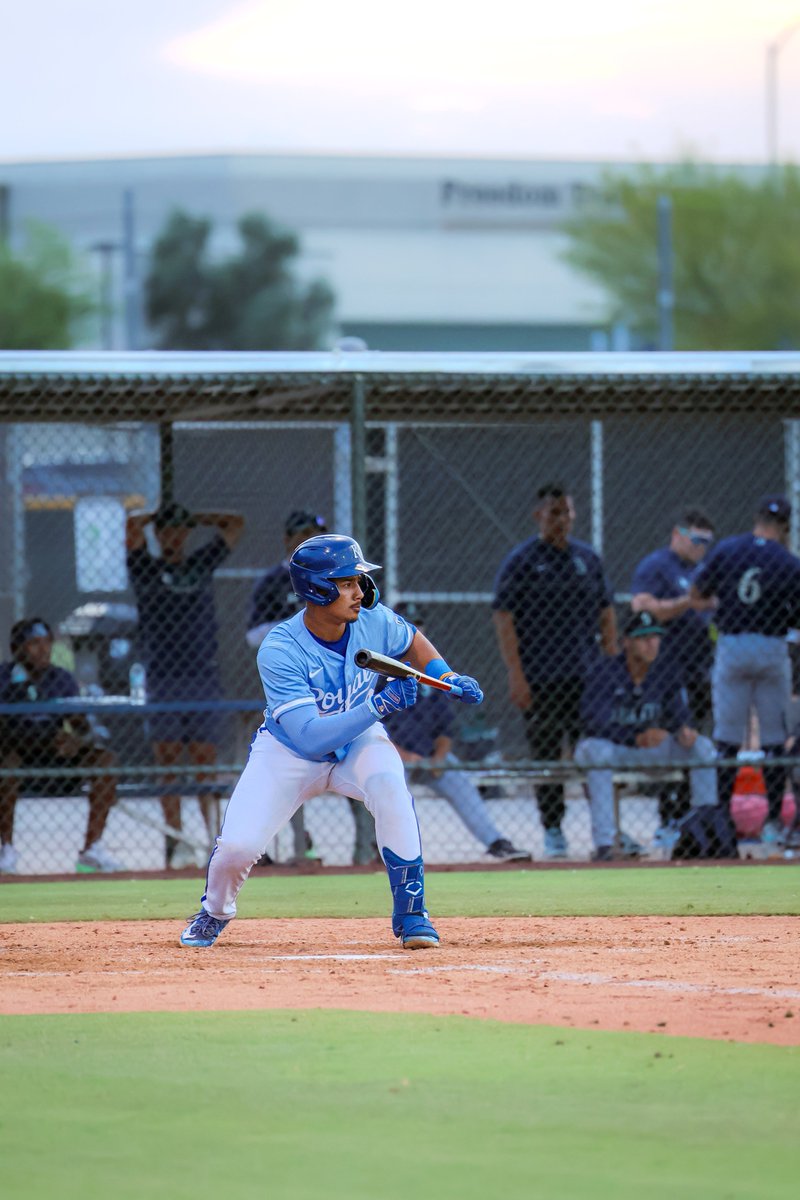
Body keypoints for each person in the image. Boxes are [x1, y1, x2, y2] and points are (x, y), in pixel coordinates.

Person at [179, 533, 484, 949]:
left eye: (358, 580)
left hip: (359, 740)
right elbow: (309, 736)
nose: (359, 591)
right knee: (237, 846)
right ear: (316, 588)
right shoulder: (281, 648)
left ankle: (413, 914)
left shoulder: (372, 621)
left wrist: (446, 676)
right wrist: (380, 705)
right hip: (288, 751)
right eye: (346, 582)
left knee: (391, 788)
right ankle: (214, 912)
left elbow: (411, 640)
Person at [492, 481, 618, 858]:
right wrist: (516, 673)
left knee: (595, 751)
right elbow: (503, 618)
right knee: (546, 756)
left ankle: (607, 833)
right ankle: (553, 830)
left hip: (586, 678)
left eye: (567, 512)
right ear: (539, 516)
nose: (561, 520)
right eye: (554, 513)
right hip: (541, 678)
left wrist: (611, 664)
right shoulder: (523, 561)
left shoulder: (587, 559)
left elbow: (607, 612)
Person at [126, 501, 245, 867]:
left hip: (201, 675)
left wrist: (196, 517)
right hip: (163, 675)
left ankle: (212, 837)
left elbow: (234, 522)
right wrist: (153, 519)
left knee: (204, 757)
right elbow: (131, 527)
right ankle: (175, 840)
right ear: (158, 534)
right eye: (166, 530)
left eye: (179, 530)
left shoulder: (200, 564)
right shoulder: (145, 567)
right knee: (168, 759)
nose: (173, 537)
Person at [690, 493, 800, 848]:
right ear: (783, 527)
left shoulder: (728, 549)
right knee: (772, 740)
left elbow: (697, 593)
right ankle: (771, 821)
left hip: (733, 645)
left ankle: (722, 817)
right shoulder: (787, 561)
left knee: (727, 738)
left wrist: (722, 604)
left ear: (757, 520)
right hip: (770, 647)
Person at [384, 605, 530, 863]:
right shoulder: (377, 669)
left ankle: (496, 841)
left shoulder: (432, 671)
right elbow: (372, 728)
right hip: (391, 756)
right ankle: (392, 851)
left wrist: (440, 756)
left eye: (418, 624)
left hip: (429, 755)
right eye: (407, 622)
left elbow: (446, 728)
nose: (416, 629)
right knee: (388, 785)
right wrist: (404, 756)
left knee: (458, 778)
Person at [574, 609, 718, 860]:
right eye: (643, 638)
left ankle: (705, 832)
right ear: (626, 642)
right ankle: (606, 844)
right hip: (617, 749)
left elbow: (679, 712)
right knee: (595, 750)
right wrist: (633, 737)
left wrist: (684, 729)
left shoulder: (666, 670)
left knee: (702, 747)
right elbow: (592, 722)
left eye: (655, 637)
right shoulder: (605, 671)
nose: (652, 643)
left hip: (654, 748)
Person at [0, 618, 122, 874]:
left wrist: (77, 741)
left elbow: (83, 727)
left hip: (56, 756)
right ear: (18, 648)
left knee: (105, 760)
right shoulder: (4, 678)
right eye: (34, 644)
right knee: (7, 764)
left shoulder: (61, 678)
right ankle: (6, 850)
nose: (43, 650)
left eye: (46, 643)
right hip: (18, 756)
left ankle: (92, 850)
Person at [630, 506, 717, 849]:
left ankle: (690, 821)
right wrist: (688, 602)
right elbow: (642, 607)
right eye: (696, 540)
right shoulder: (657, 566)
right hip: (668, 673)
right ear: (678, 534)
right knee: (671, 740)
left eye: (707, 542)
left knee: (695, 740)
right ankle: (667, 819)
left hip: (700, 670)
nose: (701, 548)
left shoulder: (703, 569)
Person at [246, 509, 328, 866]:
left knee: (358, 759)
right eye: (303, 533)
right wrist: (297, 632)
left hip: (333, 689)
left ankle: (369, 848)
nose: (309, 538)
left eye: (315, 533)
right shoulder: (273, 581)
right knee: (285, 768)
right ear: (287, 538)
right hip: (290, 689)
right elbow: (252, 634)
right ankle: (287, 846)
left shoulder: (338, 578)